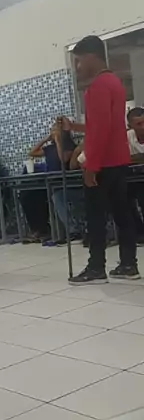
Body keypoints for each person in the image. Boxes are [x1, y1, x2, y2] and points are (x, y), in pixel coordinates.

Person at [69, 35, 139, 284]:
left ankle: (96, 267)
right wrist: (74, 127)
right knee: (123, 215)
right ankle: (129, 265)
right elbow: (106, 125)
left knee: (96, 217)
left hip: (103, 164)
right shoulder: (115, 83)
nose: (78, 67)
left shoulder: (98, 86)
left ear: (91, 56)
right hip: (119, 161)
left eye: (79, 60)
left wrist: (91, 166)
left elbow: (100, 131)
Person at [20, 123, 77, 241]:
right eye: (52, 130)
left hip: (65, 183)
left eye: (56, 130)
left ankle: (73, 230)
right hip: (51, 183)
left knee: (57, 198)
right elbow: (32, 153)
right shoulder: (49, 148)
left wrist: (58, 141)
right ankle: (40, 229)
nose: (53, 132)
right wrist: (46, 139)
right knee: (28, 195)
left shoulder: (70, 146)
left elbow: (63, 159)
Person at [126, 107, 144, 242]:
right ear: (130, 126)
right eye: (139, 124)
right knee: (122, 196)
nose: (143, 127)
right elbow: (121, 157)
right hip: (133, 178)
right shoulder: (127, 136)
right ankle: (138, 232)